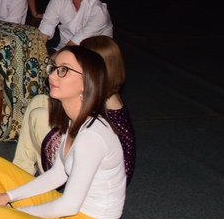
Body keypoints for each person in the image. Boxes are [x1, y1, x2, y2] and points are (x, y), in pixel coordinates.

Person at [0, 46, 126, 219]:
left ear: (86, 82)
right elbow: (58, 174)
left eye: (64, 70)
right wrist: (7, 197)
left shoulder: (92, 136)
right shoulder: (75, 120)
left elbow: (69, 205)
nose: (52, 75)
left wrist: (17, 213)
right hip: (67, 214)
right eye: (54, 68)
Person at [13, 36, 136, 184]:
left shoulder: (102, 101)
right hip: (89, 153)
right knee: (40, 100)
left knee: (40, 117)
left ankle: (43, 182)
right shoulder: (104, 89)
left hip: (94, 176)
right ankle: (19, 171)